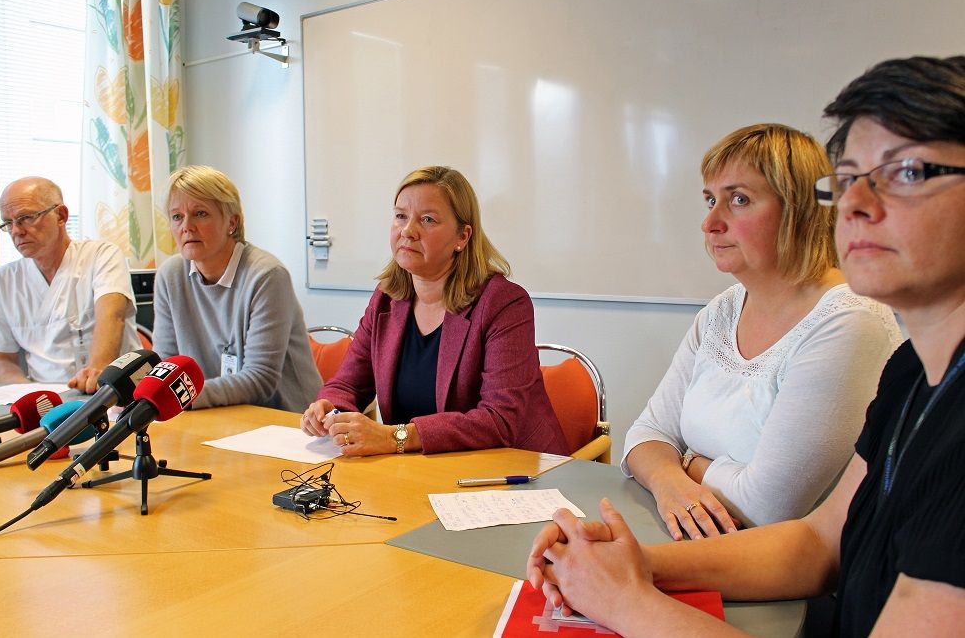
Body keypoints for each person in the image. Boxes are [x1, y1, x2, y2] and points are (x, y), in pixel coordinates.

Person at [527, 56, 965, 637]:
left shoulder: (860, 327)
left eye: (906, 172)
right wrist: (632, 564)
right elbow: (817, 544)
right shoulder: (913, 369)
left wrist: (627, 600)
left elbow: (770, 508)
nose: (855, 205)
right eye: (848, 181)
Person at [622, 124, 902, 539]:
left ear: (798, 211)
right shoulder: (722, 310)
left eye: (739, 199)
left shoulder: (850, 321)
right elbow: (645, 434)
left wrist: (688, 461)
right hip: (708, 542)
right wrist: (670, 482)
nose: (710, 223)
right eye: (710, 200)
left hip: (806, 570)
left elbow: (767, 508)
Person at [301, 166, 569, 457]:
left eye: (427, 219)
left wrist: (396, 437)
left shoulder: (503, 303)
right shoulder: (386, 299)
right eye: (400, 216)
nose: (407, 231)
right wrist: (331, 408)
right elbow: (348, 384)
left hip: (511, 469)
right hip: (420, 468)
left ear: (462, 237)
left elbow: (499, 420)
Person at [152, 165, 321, 412]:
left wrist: (180, 397)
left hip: (286, 419)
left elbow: (260, 379)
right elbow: (166, 363)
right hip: (212, 414)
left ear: (232, 222)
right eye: (177, 217)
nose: (187, 226)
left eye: (200, 213)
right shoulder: (170, 275)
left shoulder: (267, 275)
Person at [0, 177, 141, 393]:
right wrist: (30, 394)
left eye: (25, 218)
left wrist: (96, 373)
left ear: (61, 215)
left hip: (114, 392)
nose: (16, 231)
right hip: (48, 401)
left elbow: (113, 317)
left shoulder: (101, 255)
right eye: (8, 223)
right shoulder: (3, 281)